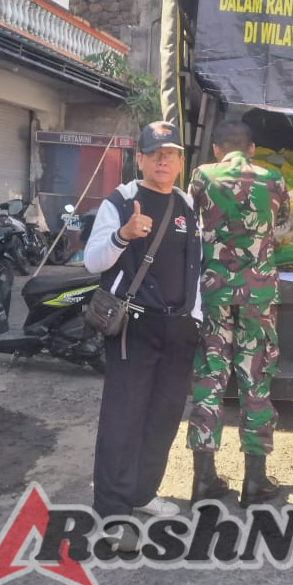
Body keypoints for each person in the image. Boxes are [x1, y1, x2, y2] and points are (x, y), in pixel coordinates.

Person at [83, 121, 202, 521]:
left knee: (163, 417)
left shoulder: (186, 205)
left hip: (178, 329)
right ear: (141, 159)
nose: (162, 160)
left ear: (181, 161)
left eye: (170, 154)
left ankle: (142, 492)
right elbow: (92, 260)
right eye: (154, 154)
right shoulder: (120, 200)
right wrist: (123, 235)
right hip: (133, 328)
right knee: (123, 417)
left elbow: (195, 269)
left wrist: (194, 319)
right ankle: (112, 507)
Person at [187, 120, 291, 507]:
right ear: (252, 149)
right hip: (259, 297)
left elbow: (189, 227)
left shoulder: (201, 176)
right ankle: (255, 482)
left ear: (216, 149)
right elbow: (283, 229)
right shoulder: (273, 179)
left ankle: (203, 481)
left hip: (213, 293)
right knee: (256, 382)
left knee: (211, 379)